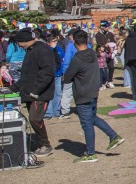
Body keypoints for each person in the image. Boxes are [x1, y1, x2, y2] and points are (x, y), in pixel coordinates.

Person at [64, 30, 123, 163]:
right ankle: (113, 136)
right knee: (92, 117)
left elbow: (67, 78)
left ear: (74, 41)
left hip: (82, 93)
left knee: (87, 124)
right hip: (93, 91)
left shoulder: (77, 59)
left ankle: (90, 153)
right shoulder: (92, 53)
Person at [15, 28, 57, 157]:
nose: (18, 45)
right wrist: (12, 88)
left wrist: (36, 91)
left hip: (40, 93)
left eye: (19, 42)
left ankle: (45, 145)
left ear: (24, 41)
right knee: (34, 119)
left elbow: (47, 73)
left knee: (35, 118)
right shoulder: (30, 50)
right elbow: (27, 76)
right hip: (30, 93)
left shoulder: (43, 50)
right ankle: (40, 143)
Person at [44, 34, 66, 120]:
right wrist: (51, 49)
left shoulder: (59, 48)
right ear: (48, 42)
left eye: (56, 41)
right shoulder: (46, 50)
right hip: (49, 74)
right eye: (53, 41)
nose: (55, 43)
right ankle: (48, 113)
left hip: (58, 74)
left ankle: (56, 112)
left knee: (58, 93)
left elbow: (63, 58)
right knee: (49, 93)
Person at [94, 21, 117, 88]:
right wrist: (105, 45)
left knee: (111, 67)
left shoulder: (110, 34)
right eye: (106, 26)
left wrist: (112, 49)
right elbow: (99, 44)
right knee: (101, 68)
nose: (107, 28)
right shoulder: (98, 35)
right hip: (101, 54)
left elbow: (113, 43)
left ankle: (110, 81)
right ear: (102, 27)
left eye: (108, 27)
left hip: (110, 53)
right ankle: (102, 82)